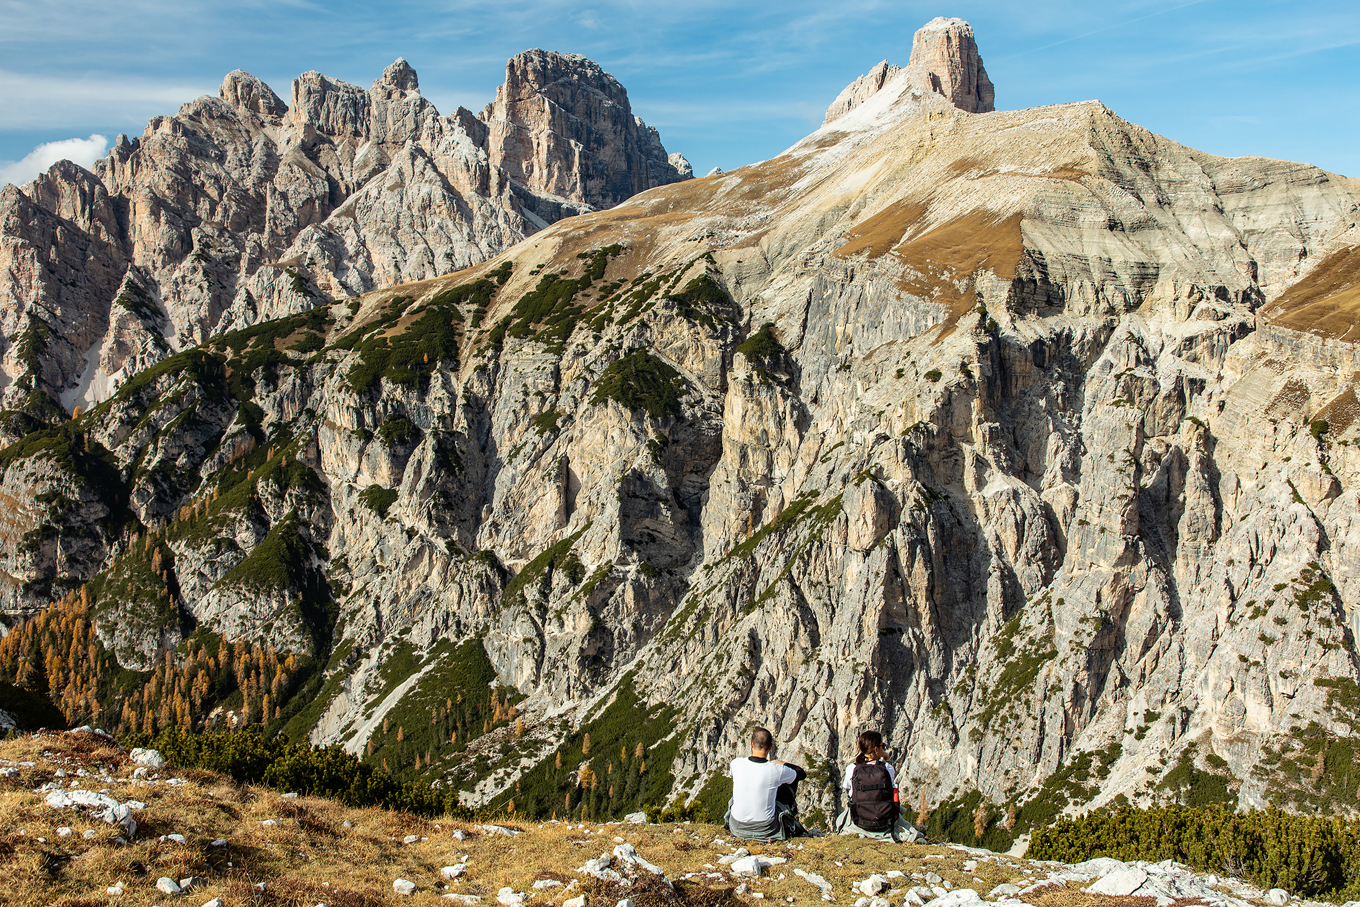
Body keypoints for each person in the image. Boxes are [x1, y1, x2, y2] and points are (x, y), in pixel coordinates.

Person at [833, 730, 921, 842]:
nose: (883, 748)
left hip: (859, 820)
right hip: (884, 821)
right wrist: (885, 757)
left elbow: (848, 788)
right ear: (876, 749)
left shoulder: (852, 768)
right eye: (882, 746)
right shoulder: (888, 768)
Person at [724, 727, 807, 841]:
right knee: (789, 781)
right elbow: (801, 774)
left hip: (737, 826)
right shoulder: (776, 769)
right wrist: (781, 763)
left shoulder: (736, 763)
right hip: (766, 829)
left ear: (751, 744)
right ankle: (790, 815)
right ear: (771, 747)